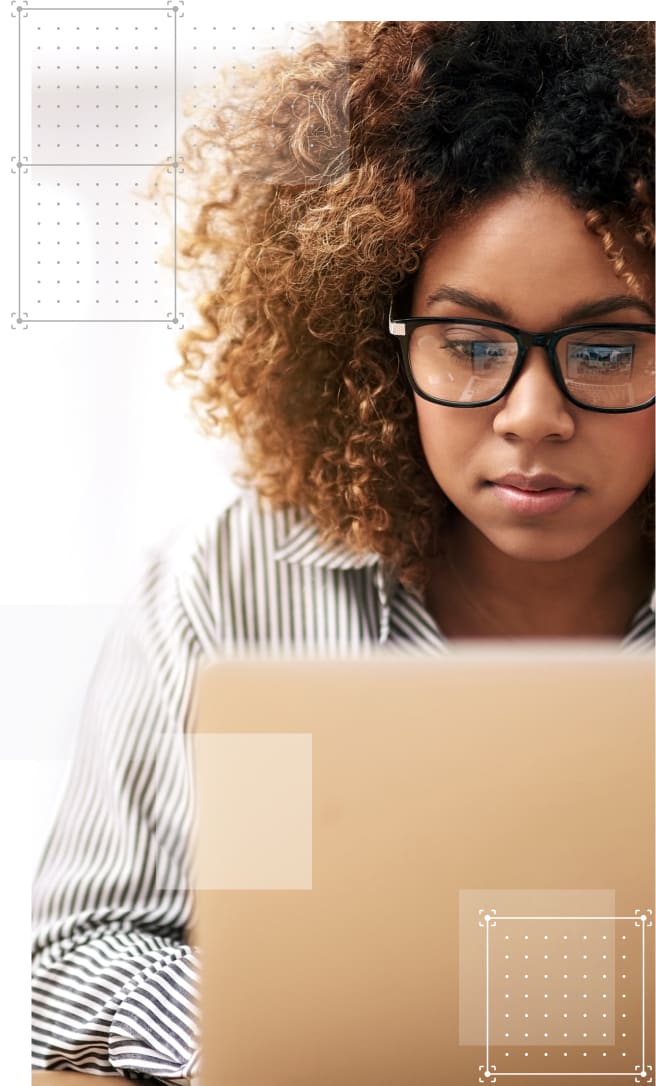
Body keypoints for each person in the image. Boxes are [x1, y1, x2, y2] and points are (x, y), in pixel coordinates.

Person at [32, 21, 654, 1082]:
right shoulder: (235, 585)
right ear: (378, 341)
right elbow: (81, 965)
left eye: (603, 348)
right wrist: (309, 1034)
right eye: (468, 346)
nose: (532, 416)